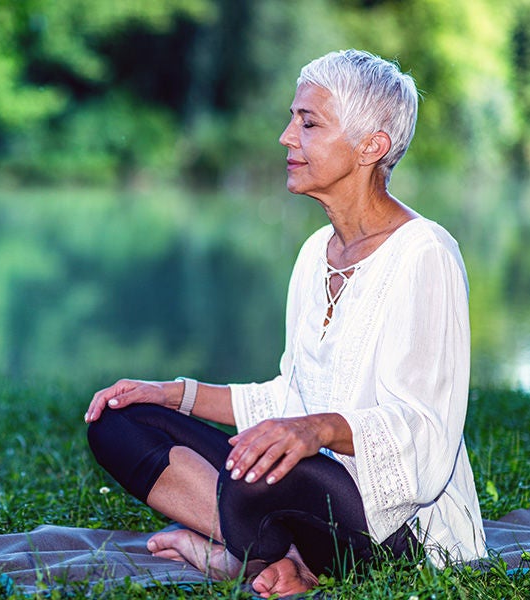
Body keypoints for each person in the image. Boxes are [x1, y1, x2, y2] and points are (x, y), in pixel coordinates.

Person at [84, 49, 487, 598]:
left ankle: (242, 553)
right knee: (120, 421)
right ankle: (280, 556)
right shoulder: (315, 252)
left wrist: (315, 430)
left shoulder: (426, 254)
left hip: (401, 530)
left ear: (372, 146)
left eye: (308, 122)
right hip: (311, 496)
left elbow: (426, 436)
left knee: (266, 477)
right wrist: (171, 394)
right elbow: (288, 398)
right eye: (292, 118)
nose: (285, 136)